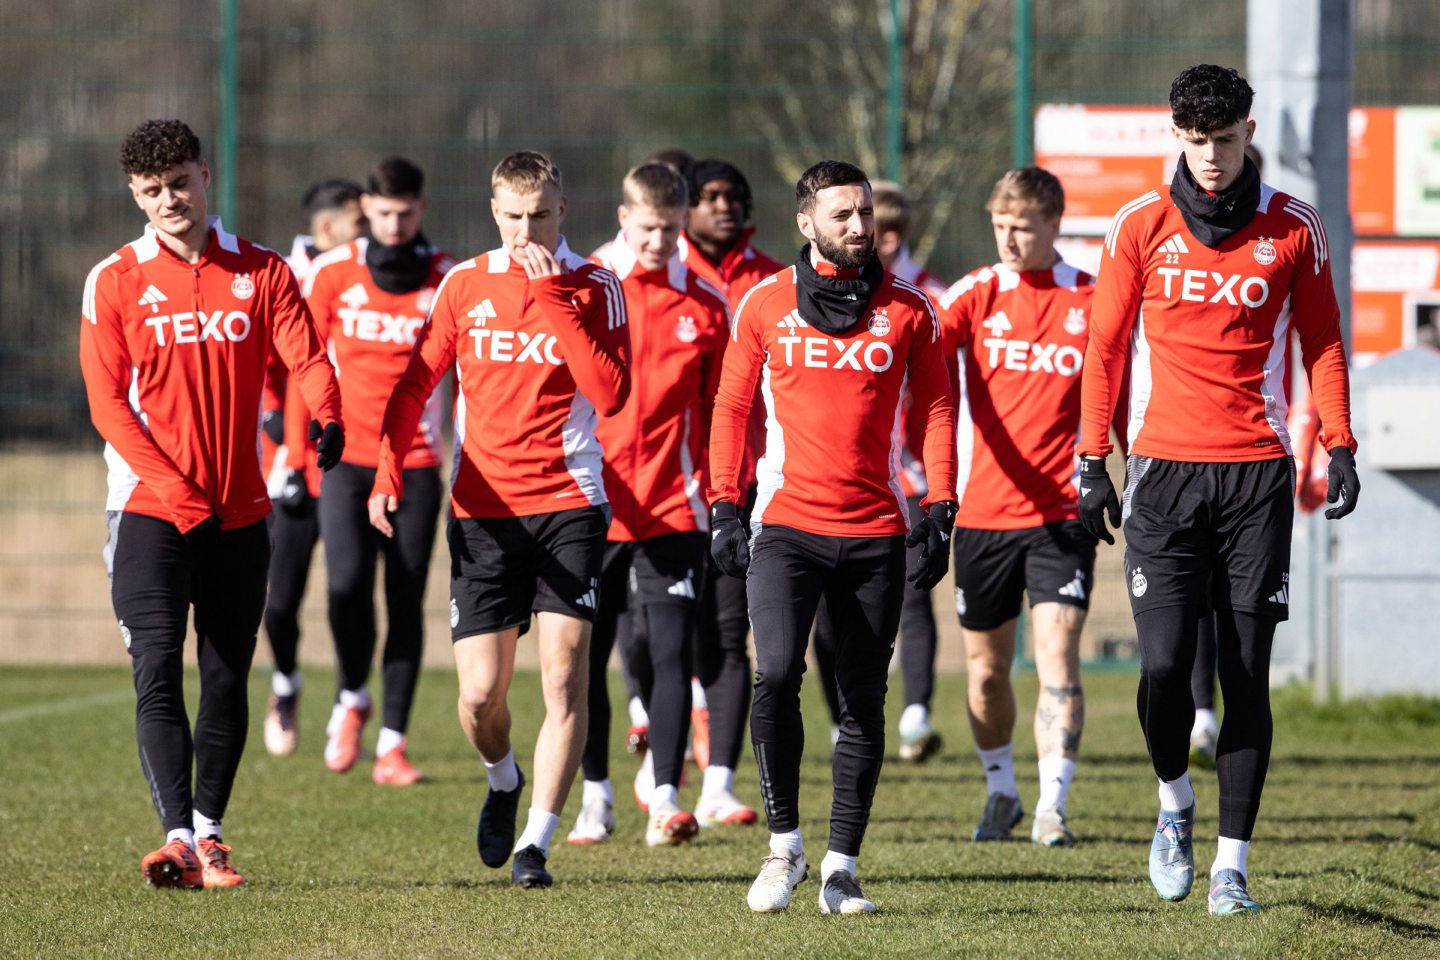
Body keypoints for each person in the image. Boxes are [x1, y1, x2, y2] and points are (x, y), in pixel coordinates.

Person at [1079, 64, 1359, 916]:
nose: (1209, 156)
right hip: (1162, 473)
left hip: (1257, 476)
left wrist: (1339, 443)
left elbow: (1323, 342)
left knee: (1245, 672)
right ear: (1175, 133)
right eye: (1194, 140)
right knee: (1164, 666)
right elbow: (1105, 351)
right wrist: (1093, 459)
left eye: (1224, 139)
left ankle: (1231, 867)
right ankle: (1174, 808)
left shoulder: (1293, 227)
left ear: (1247, 131)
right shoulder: (1139, 225)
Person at [80, 119, 344, 889]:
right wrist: (173, 492)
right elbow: (108, 409)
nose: (169, 200)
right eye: (151, 191)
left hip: (240, 513)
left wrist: (327, 416)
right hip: (151, 511)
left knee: (226, 676)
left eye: (180, 184)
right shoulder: (116, 279)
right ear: (136, 193)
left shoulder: (261, 271)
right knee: (157, 664)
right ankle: (176, 840)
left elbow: (308, 359)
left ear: (205, 176)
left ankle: (210, 832)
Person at [368, 151, 629, 887]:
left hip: (571, 502)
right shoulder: (464, 284)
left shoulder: (596, 285)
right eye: (513, 218)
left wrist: (552, 302)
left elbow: (609, 393)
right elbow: (416, 380)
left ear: (562, 211)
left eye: (539, 216)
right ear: (493, 211)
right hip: (483, 510)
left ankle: (537, 843)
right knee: (480, 696)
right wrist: (388, 467)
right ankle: (503, 778)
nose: (526, 232)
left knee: (564, 671)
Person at [708, 160, 957, 915]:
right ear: (806, 224)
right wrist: (724, 504)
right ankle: (784, 848)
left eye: (865, 212)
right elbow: (729, 408)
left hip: (878, 529)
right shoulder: (763, 304)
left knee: (861, 702)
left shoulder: (911, 309)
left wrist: (941, 504)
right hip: (785, 526)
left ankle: (842, 869)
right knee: (776, 673)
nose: (859, 226)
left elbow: (939, 409)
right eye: (842, 214)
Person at [932, 167, 1099, 847]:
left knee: (1057, 653)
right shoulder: (975, 293)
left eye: (1023, 226)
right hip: (982, 517)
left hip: (1061, 515)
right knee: (986, 671)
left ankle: (1053, 805)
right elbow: (921, 362)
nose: (1009, 238)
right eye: (1000, 225)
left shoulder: (1092, 297)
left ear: (1054, 223)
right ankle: (1001, 789)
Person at [569, 162, 729, 847]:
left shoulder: (707, 301)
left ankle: (665, 798)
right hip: (588, 501)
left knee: (671, 651)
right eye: (647, 227)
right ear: (622, 216)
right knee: (584, 655)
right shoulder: (584, 289)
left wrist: (722, 490)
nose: (659, 241)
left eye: (670, 228)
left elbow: (723, 410)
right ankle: (595, 795)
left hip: (673, 501)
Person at [299, 158, 453, 786]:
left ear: (422, 208)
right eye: (384, 211)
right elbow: (302, 354)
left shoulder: (446, 277)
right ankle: (350, 698)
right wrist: (294, 437)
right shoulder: (332, 272)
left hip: (415, 463)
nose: (395, 223)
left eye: (407, 212)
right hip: (347, 461)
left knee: (407, 598)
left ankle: (393, 741)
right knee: (344, 588)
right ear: (366, 207)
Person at [812, 180, 950, 763]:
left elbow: (945, 393)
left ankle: (915, 716)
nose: (865, 234)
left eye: (878, 226)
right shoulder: (821, 294)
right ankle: (844, 720)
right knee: (823, 616)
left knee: (912, 597)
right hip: (833, 478)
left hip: (908, 476)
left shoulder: (930, 297)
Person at [676, 157, 784, 826]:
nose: (723, 206)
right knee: (654, 637)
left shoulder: (773, 280)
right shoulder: (656, 273)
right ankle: (653, 759)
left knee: (728, 633)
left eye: (733, 196)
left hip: (742, 486)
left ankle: (717, 782)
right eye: (709, 196)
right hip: (659, 487)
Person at [261, 177, 366, 757]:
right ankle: (286, 684)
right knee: (278, 599)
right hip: (291, 465)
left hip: (350, 463)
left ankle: (351, 699)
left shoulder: (372, 275)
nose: (370, 229)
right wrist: (275, 419)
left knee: (347, 593)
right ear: (329, 227)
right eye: (359, 218)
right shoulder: (281, 276)